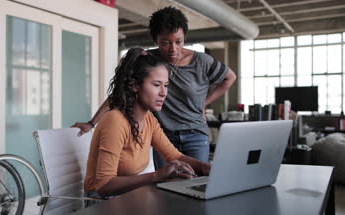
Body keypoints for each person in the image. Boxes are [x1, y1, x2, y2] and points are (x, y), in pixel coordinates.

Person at [73, 6, 236, 169]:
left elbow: (230, 78)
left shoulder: (201, 61)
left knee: (197, 183)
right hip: (163, 134)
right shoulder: (150, 61)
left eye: (178, 42)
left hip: (195, 134)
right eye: (165, 43)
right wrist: (92, 122)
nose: (173, 49)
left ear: (184, 38)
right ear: (155, 40)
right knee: (167, 186)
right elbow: (121, 91)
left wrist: (204, 103)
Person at [84, 48, 211, 199]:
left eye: (166, 85)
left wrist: (206, 167)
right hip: (101, 202)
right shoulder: (115, 121)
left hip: (127, 197)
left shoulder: (149, 119)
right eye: (157, 85)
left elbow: (173, 155)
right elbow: (103, 185)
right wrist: (158, 175)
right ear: (135, 86)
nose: (164, 93)